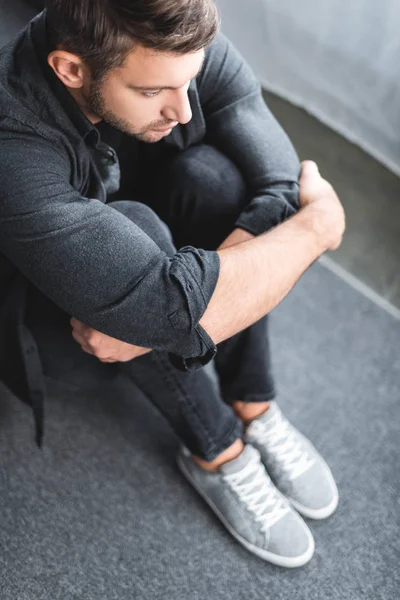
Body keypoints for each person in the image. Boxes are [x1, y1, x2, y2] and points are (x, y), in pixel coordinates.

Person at [0, 0, 345, 568]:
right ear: (71, 70)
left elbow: (282, 187)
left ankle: (253, 402)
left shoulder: (172, 40)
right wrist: (318, 230)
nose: (183, 110)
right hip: (60, 324)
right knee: (141, 235)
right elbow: (298, 218)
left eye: (191, 80)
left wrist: (172, 313)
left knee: (215, 179)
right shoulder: (11, 139)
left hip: (133, 296)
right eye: (153, 92)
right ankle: (218, 450)